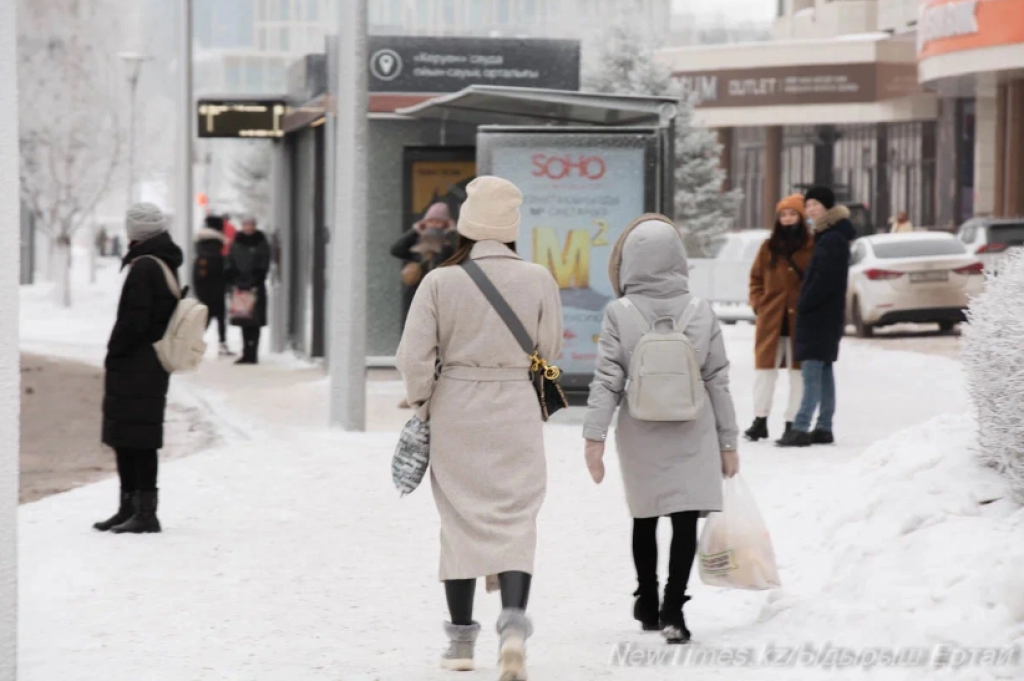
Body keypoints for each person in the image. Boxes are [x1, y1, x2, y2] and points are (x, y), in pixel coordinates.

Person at [396, 177, 562, 679]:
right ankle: (512, 627)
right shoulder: (537, 278)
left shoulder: (440, 281)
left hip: (456, 405)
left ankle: (461, 644)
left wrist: (423, 401)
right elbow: (550, 349)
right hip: (515, 404)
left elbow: (413, 356)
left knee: (460, 519)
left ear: (466, 226)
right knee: (516, 516)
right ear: (511, 227)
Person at [582, 215, 740, 645]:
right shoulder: (701, 310)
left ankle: (647, 600)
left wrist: (594, 437)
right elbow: (717, 379)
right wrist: (728, 442)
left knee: (645, 516)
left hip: (640, 428)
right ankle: (674, 608)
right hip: (693, 428)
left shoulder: (619, 312)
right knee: (685, 520)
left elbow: (607, 379)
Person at [93, 203, 183, 534]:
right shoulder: (161, 260)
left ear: (135, 230)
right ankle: (130, 508)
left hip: (137, 363)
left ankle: (144, 513)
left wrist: (114, 350)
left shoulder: (145, 266)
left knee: (138, 439)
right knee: (130, 436)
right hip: (146, 362)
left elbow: (136, 319)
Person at [777, 186, 857, 448]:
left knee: (811, 372)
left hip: (819, 316)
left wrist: (804, 303)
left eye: (815, 204)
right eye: (808, 204)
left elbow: (824, 279)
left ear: (827, 207)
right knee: (823, 371)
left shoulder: (831, 239)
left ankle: (801, 427)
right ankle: (824, 427)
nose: (810, 209)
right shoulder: (831, 235)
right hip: (827, 315)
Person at [745, 194, 815, 441]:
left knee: (798, 375)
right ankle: (760, 420)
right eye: (783, 215)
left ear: (801, 217)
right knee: (764, 373)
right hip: (771, 320)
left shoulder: (811, 247)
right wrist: (759, 304)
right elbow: (755, 279)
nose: (787, 219)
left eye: (792, 214)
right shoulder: (769, 247)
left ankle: (791, 422)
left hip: (800, 322)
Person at [392, 202, 458, 327]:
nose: (434, 225)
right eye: (430, 221)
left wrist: (451, 233)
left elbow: (451, 258)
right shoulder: (418, 248)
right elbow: (396, 250)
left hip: (440, 300)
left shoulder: (448, 248)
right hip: (416, 298)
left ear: (446, 224)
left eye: (439, 222)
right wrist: (415, 231)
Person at [227, 216, 271, 365]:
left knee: (255, 321)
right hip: (240, 287)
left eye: (251, 225)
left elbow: (263, 265)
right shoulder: (236, 243)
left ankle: (253, 353)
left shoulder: (261, 243)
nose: (248, 228)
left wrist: (256, 280)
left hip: (255, 287)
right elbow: (230, 262)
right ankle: (246, 352)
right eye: (246, 225)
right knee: (243, 319)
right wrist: (234, 279)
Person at [193, 215, 231, 356]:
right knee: (218, 317)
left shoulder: (201, 249)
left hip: (205, 289)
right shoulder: (214, 251)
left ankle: (194, 344)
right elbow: (219, 270)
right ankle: (221, 344)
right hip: (216, 289)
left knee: (206, 318)